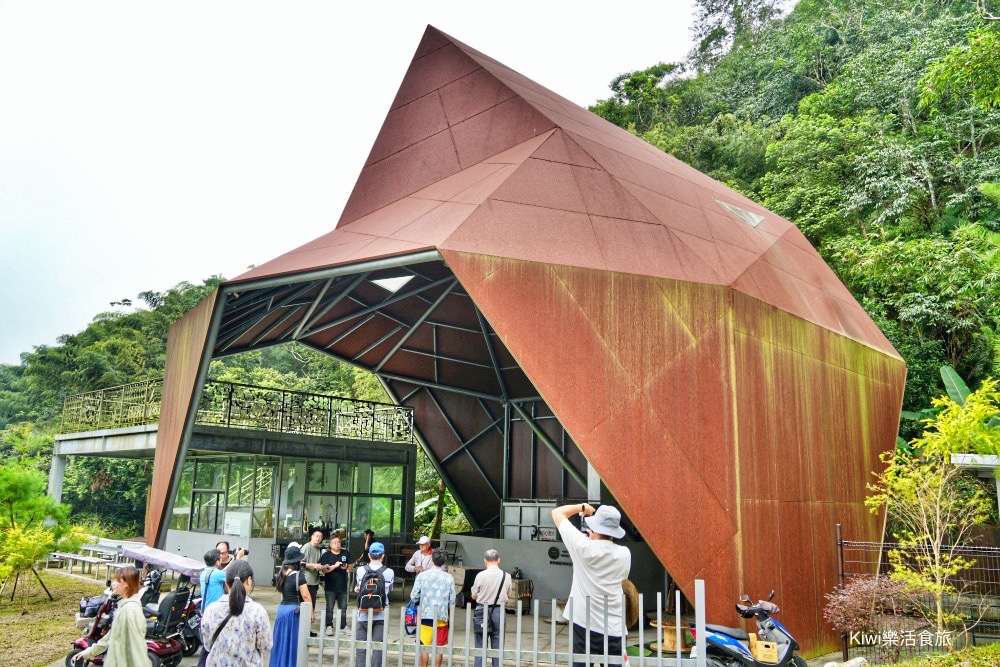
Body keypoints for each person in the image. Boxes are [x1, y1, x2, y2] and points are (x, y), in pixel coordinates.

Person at [551, 503, 631, 667]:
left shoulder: (582, 546)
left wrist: (582, 508)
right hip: (613, 626)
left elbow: (557, 513)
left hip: (583, 623)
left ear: (594, 528)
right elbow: (622, 578)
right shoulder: (624, 554)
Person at [73, 566, 151, 666]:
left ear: (127, 584)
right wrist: (89, 652)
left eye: (117, 580)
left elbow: (135, 647)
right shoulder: (125, 606)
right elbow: (110, 637)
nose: (113, 583)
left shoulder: (130, 610)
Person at [200, 559, 272, 666]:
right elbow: (266, 646)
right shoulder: (257, 611)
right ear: (249, 580)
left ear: (226, 581)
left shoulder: (211, 609)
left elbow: (207, 645)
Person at [409, 550, 455, 667]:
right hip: (441, 616)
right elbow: (453, 600)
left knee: (424, 645)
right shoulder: (449, 578)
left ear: (432, 560)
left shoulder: (422, 576)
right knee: (439, 646)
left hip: (425, 615)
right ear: (445, 561)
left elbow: (414, 596)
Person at [271, 545, 314, 666]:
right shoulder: (298, 575)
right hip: (292, 611)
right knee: (291, 641)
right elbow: (306, 596)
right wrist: (311, 612)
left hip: (281, 610)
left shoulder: (281, 573)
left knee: (280, 641)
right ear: (296, 561)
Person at [354, 541, 395, 667]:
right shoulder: (389, 572)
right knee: (378, 647)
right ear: (383, 556)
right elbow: (389, 591)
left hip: (363, 613)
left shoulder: (361, 570)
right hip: (381, 613)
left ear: (369, 556)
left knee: (361, 646)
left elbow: (359, 588)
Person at [469, 549, 511, 667]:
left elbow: (473, 596)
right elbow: (508, 596)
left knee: (480, 645)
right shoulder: (506, 576)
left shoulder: (480, 575)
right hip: (499, 611)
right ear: (498, 561)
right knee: (498, 645)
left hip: (482, 611)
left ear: (485, 561)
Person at [320, 534, 351, 635]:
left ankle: (343, 626)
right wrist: (335, 566)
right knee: (329, 607)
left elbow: (350, 567)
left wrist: (346, 566)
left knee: (343, 608)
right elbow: (324, 570)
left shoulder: (345, 553)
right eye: (334, 543)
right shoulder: (326, 555)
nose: (337, 544)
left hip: (342, 585)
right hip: (330, 586)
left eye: (339, 542)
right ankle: (329, 626)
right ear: (330, 544)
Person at [301, 529, 325, 613]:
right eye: (317, 536)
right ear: (312, 537)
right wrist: (313, 565)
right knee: (305, 607)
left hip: (314, 582)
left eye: (320, 537)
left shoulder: (318, 549)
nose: (318, 538)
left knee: (312, 606)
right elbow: (300, 563)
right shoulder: (307, 547)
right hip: (305, 581)